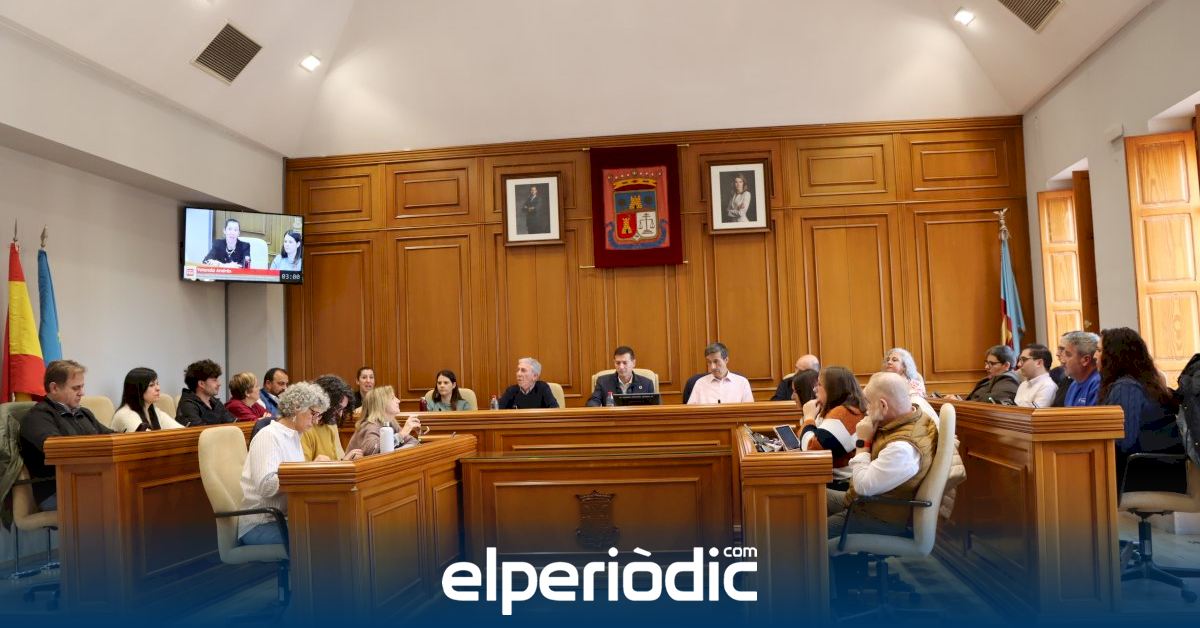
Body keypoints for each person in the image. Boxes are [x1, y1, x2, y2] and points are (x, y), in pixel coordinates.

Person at [238, 382, 363, 546]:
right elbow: (266, 486)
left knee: (343, 526)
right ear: (297, 407)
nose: (315, 421)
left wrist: (314, 471)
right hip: (261, 523)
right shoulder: (268, 436)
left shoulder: (295, 437)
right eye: (314, 414)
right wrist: (309, 470)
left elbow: (295, 484)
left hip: (286, 518)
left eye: (318, 416)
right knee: (328, 537)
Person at [827, 372, 939, 539]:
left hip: (876, 518)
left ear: (883, 405)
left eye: (867, 402)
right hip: (867, 503)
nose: (865, 409)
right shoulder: (909, 417)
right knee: (810, 496)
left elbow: (862, 486)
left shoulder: (903, 448)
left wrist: (863, 442)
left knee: (806, 534)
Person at [1097, 327, 1185, 493]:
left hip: (1148, 473)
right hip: (1162, 469)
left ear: (1115, 356)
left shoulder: (1126, 387)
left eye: (1100, 350)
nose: (1095, 356)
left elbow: (1124, 442)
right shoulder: (1143, 383)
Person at [18, 360, 113, 510]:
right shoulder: (37, 417)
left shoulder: (83, 413)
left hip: (89, 482)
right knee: (118, 500)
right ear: (54, 388)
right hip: (56, 491)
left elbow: (111, 437)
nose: (82, 393)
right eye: (76, 388)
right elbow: (60, 450)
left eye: (82, 387)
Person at [799, 366, 866, 488]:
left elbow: (811, 452)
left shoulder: (844, 413)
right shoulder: (845, 409)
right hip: (839, 481)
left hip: (842, 484)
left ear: (833, 389)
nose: (814, 389)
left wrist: (808, 417)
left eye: (819, 384)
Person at [346, 386, 423, 456]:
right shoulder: (370, 425)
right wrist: (402, 434)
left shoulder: (391, 422)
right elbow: (373, 451)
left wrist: (394, 451)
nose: (398, 401)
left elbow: (414, 442)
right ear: (381, 404)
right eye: (392, 398)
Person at [302, 375, 363, 462]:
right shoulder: (306, 428)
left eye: (342, 409)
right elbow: (302, 468)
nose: (340, 414)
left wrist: (346, 461)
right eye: (337, 408)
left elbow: (338, 460)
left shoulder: (332, 424)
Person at [112, 367, 185, 432]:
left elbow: (181, 430)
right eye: (151, 385)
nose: (158, 388)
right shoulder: (126, 415)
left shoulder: (153, 411)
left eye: (157, 383)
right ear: (137, 390)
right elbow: (147, 439)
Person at [687, 342, 755, 405]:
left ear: (726, 360)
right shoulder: (700, 383)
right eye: (709, 362)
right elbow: (690, 411)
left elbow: (749, 411)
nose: (712, 367)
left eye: (716, 361)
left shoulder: (742, 383)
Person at [586, 346, 656, 406]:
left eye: (625, 363)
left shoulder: (647, 384)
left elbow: (655, 406)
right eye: (618, 363)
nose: (621, 367)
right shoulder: (602, 381)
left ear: (633, 363)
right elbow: (593, 401)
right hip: (612, 417)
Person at [177, 359, 235, 427]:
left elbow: (233, 423)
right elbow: (200, 431)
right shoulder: (187, 406)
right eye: (214, 380)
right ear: (201, 384)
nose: (219, 384)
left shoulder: (215, 402)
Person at [1061, 331, 1101, 407]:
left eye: (1068, 355)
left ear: (1085, 360)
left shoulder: (1097, 384)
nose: (1063, 360)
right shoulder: (1074, 384)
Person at [1014, 344, 1058, 408]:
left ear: (1039, 363)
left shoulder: (1048, 386)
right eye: (1019, 360)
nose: (1019, 364)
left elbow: (1035, 413)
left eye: (1024, 359)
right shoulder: (1023, 384)